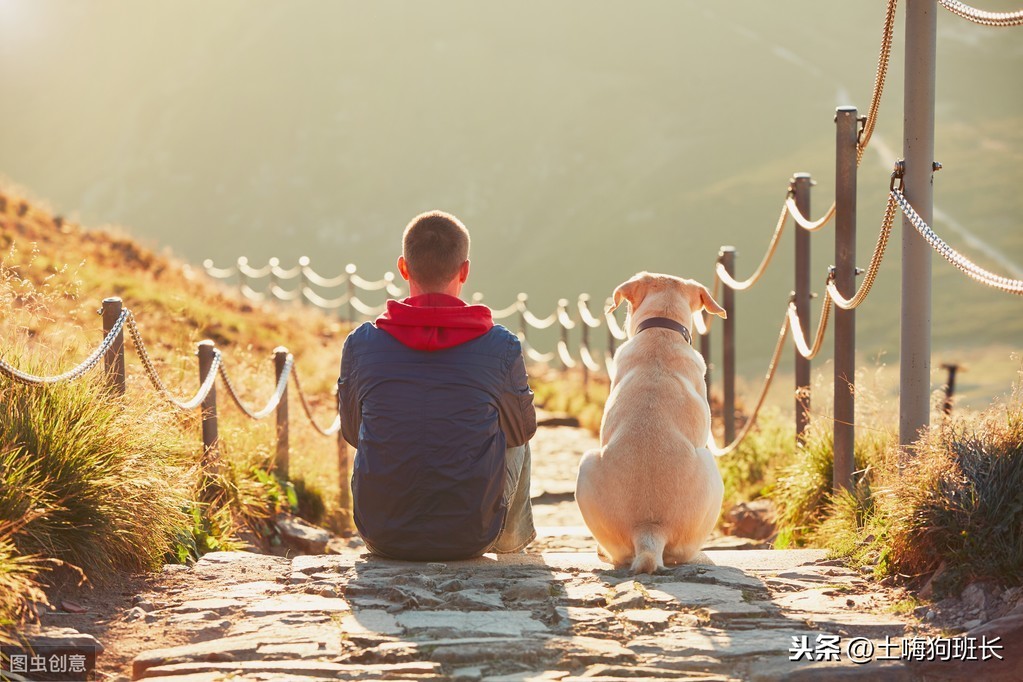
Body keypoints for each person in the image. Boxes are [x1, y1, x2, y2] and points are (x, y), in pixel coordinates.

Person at [337, 210, 537, 561]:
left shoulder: (362, 343)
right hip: (471, 537)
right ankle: (509, 548)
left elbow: (353, 433)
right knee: (514, 428)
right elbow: (522, 432)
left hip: (383, 534)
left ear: (403, 267)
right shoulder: (500, 345)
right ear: (464, 270)